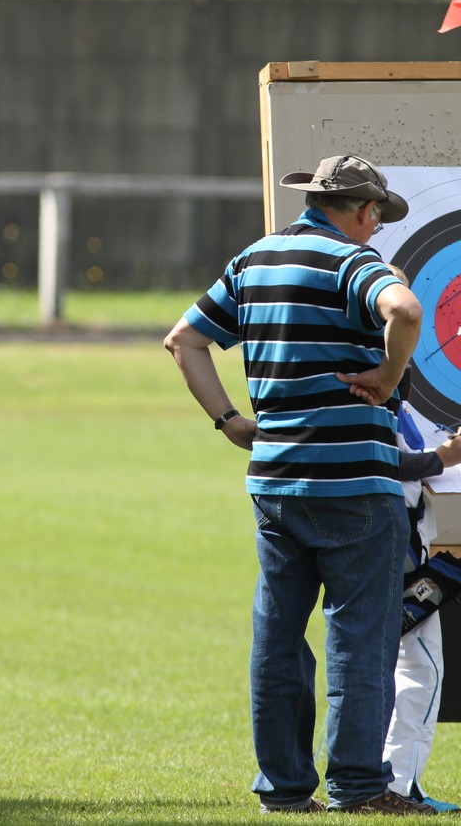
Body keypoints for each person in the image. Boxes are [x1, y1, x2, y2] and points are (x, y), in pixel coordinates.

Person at [164, 154, 434, 815]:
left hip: (276, 481)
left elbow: (184, 341)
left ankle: (283, 789)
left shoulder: (253, 260)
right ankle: (357, 785)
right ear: (366, 210)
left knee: (279, 637)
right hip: (355, 487)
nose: (375, 231)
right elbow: (404, 307)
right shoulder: (352, 261)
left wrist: (229, 420)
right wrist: (389, 379)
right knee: (360, 638)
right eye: (376, 219)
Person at [387, 395, 461, 813]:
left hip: (400, 545)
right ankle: (395, 784)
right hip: (397, 549)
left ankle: (381, 781)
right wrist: (445, 456)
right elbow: (394, 462)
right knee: (418, 668)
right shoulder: (383, 400)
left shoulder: (406, 407)